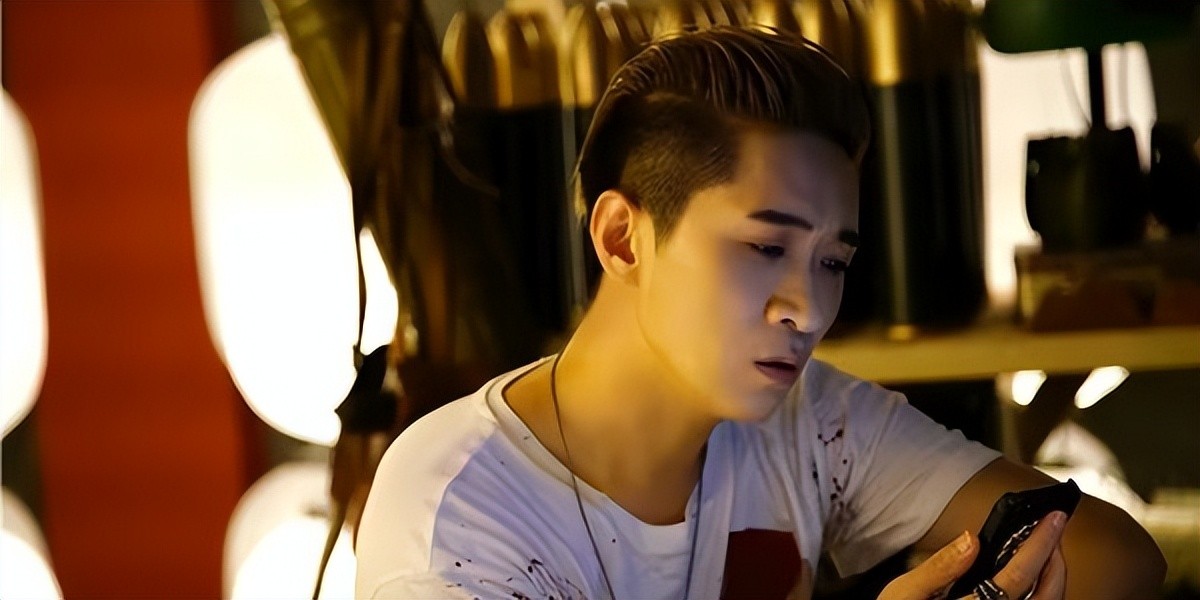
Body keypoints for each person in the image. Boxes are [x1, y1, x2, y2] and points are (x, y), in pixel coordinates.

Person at [355, 26, 1165, 599]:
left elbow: (1115, 553)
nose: (808, 309)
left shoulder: (807, 422)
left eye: (833, 262)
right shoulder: (459, 526)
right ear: (622, 238)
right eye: (764, 248)